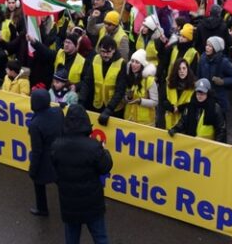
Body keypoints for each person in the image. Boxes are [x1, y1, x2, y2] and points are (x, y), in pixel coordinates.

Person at [51, 104, 113, 244]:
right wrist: (104, 152)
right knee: (100, 237)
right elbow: (105, 167)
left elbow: (54, 171)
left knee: (72, 239)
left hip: (69, 203)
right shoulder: (93, 146)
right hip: (93, 203)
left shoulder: (56, 146)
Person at [28, 88, 64, 217]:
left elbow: (37, 150)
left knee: (38, 182)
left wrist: (32, 170)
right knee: (63, 182)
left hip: (45, 158)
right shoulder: (57, 112)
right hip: (60, 153)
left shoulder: (35, 124)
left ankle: (42, 209)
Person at [197, 36, 232, 115]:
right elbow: (198, 74)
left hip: (219, 99)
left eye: (210, 46)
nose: (207, 48)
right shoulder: (202, 58)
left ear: (216, 48)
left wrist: (223, 81)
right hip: (204, 97)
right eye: (207, 45)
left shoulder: (224, 62)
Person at [122, 50, 158, 126]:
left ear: (142, 65)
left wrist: (140, 101)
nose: (133, 64)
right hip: (129, 119)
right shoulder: (129, 77)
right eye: (132, 61)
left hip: (145, 123)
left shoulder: (149, 80)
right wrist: (128, 97)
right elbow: (125, 99)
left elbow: (155, 102)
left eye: (137, 62)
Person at [163, 58, 196, 129]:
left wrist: (179, 109)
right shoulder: (169, 83)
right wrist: (171, 107)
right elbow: (163, 100)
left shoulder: (193, 86)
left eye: (184, 68)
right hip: (170, 120)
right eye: (179, 69)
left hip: (184, 123)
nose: (182, 71)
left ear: (188, 69)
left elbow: (192, 105)